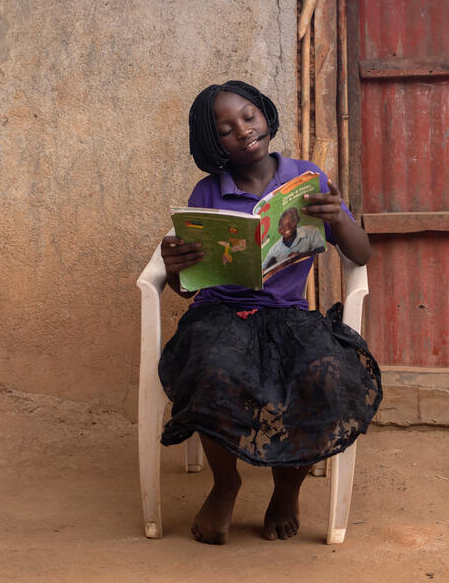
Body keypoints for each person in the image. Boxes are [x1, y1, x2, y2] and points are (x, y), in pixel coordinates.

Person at [158, 80, 382, 545]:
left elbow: (360, 255)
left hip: (288, 315)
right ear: (211, 143)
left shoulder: (307, 179)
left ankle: (287, 489)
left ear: (265, 114)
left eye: (248, 116)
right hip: (220, 312)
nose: (242, 130)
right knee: (212, 369)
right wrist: (175, 266)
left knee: (322, 372)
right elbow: (184, 289)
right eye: (225, 129)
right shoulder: (208, 192)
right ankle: (225, 485)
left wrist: (338, 216)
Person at [261, 206, 324, 274]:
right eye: (282, 226)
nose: (287, 228)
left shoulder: (311, 232)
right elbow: (263, 268)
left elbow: (322, 249)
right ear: (279, 230)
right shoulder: (275, 249)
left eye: (291, 223)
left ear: (297, 220)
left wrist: (300, 255)